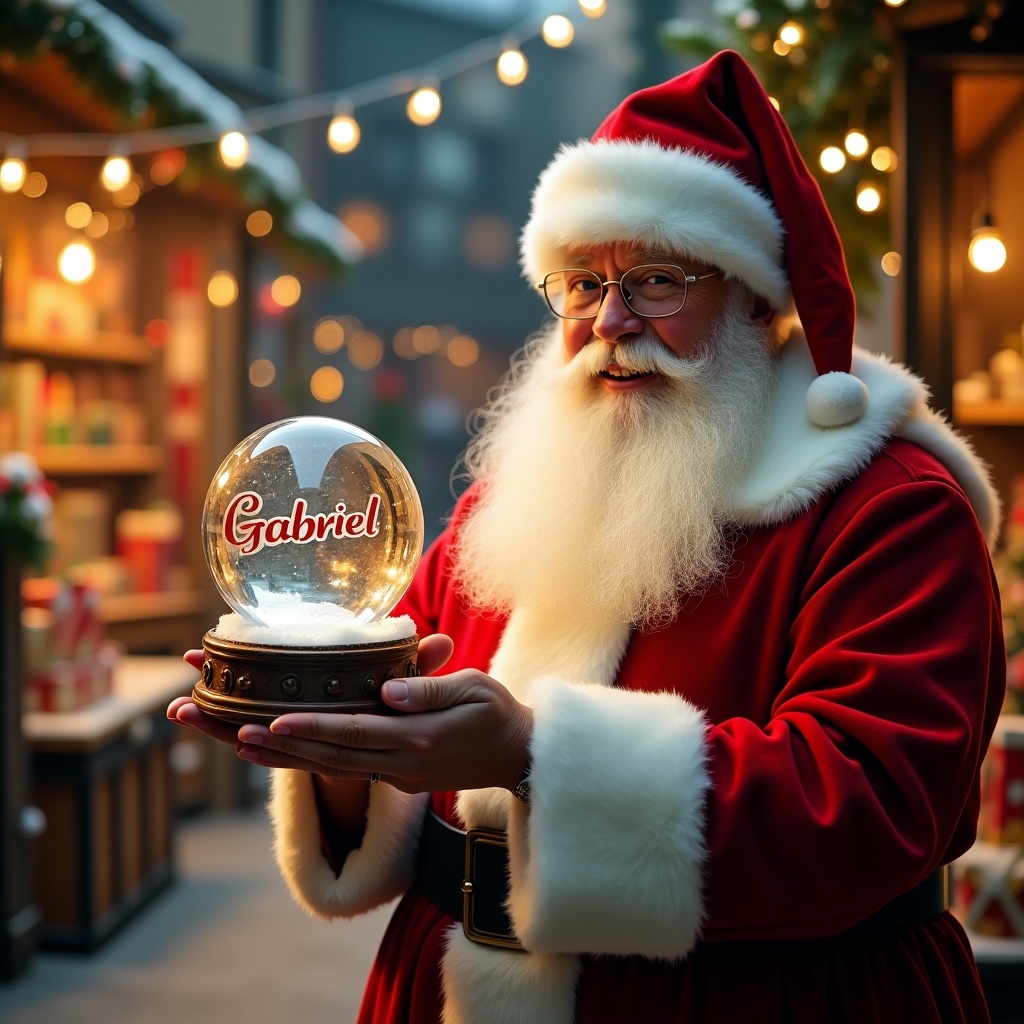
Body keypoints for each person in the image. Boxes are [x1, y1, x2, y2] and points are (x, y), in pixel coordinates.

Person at [168, 50, 1006, 1024]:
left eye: (656, 278)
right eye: (579, 283)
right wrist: (331, 742)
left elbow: (866, 802)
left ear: (754, 300)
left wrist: (534, 755)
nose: (610, 319)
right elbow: (409, 734)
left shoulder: (888, 508)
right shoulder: (516, 500)